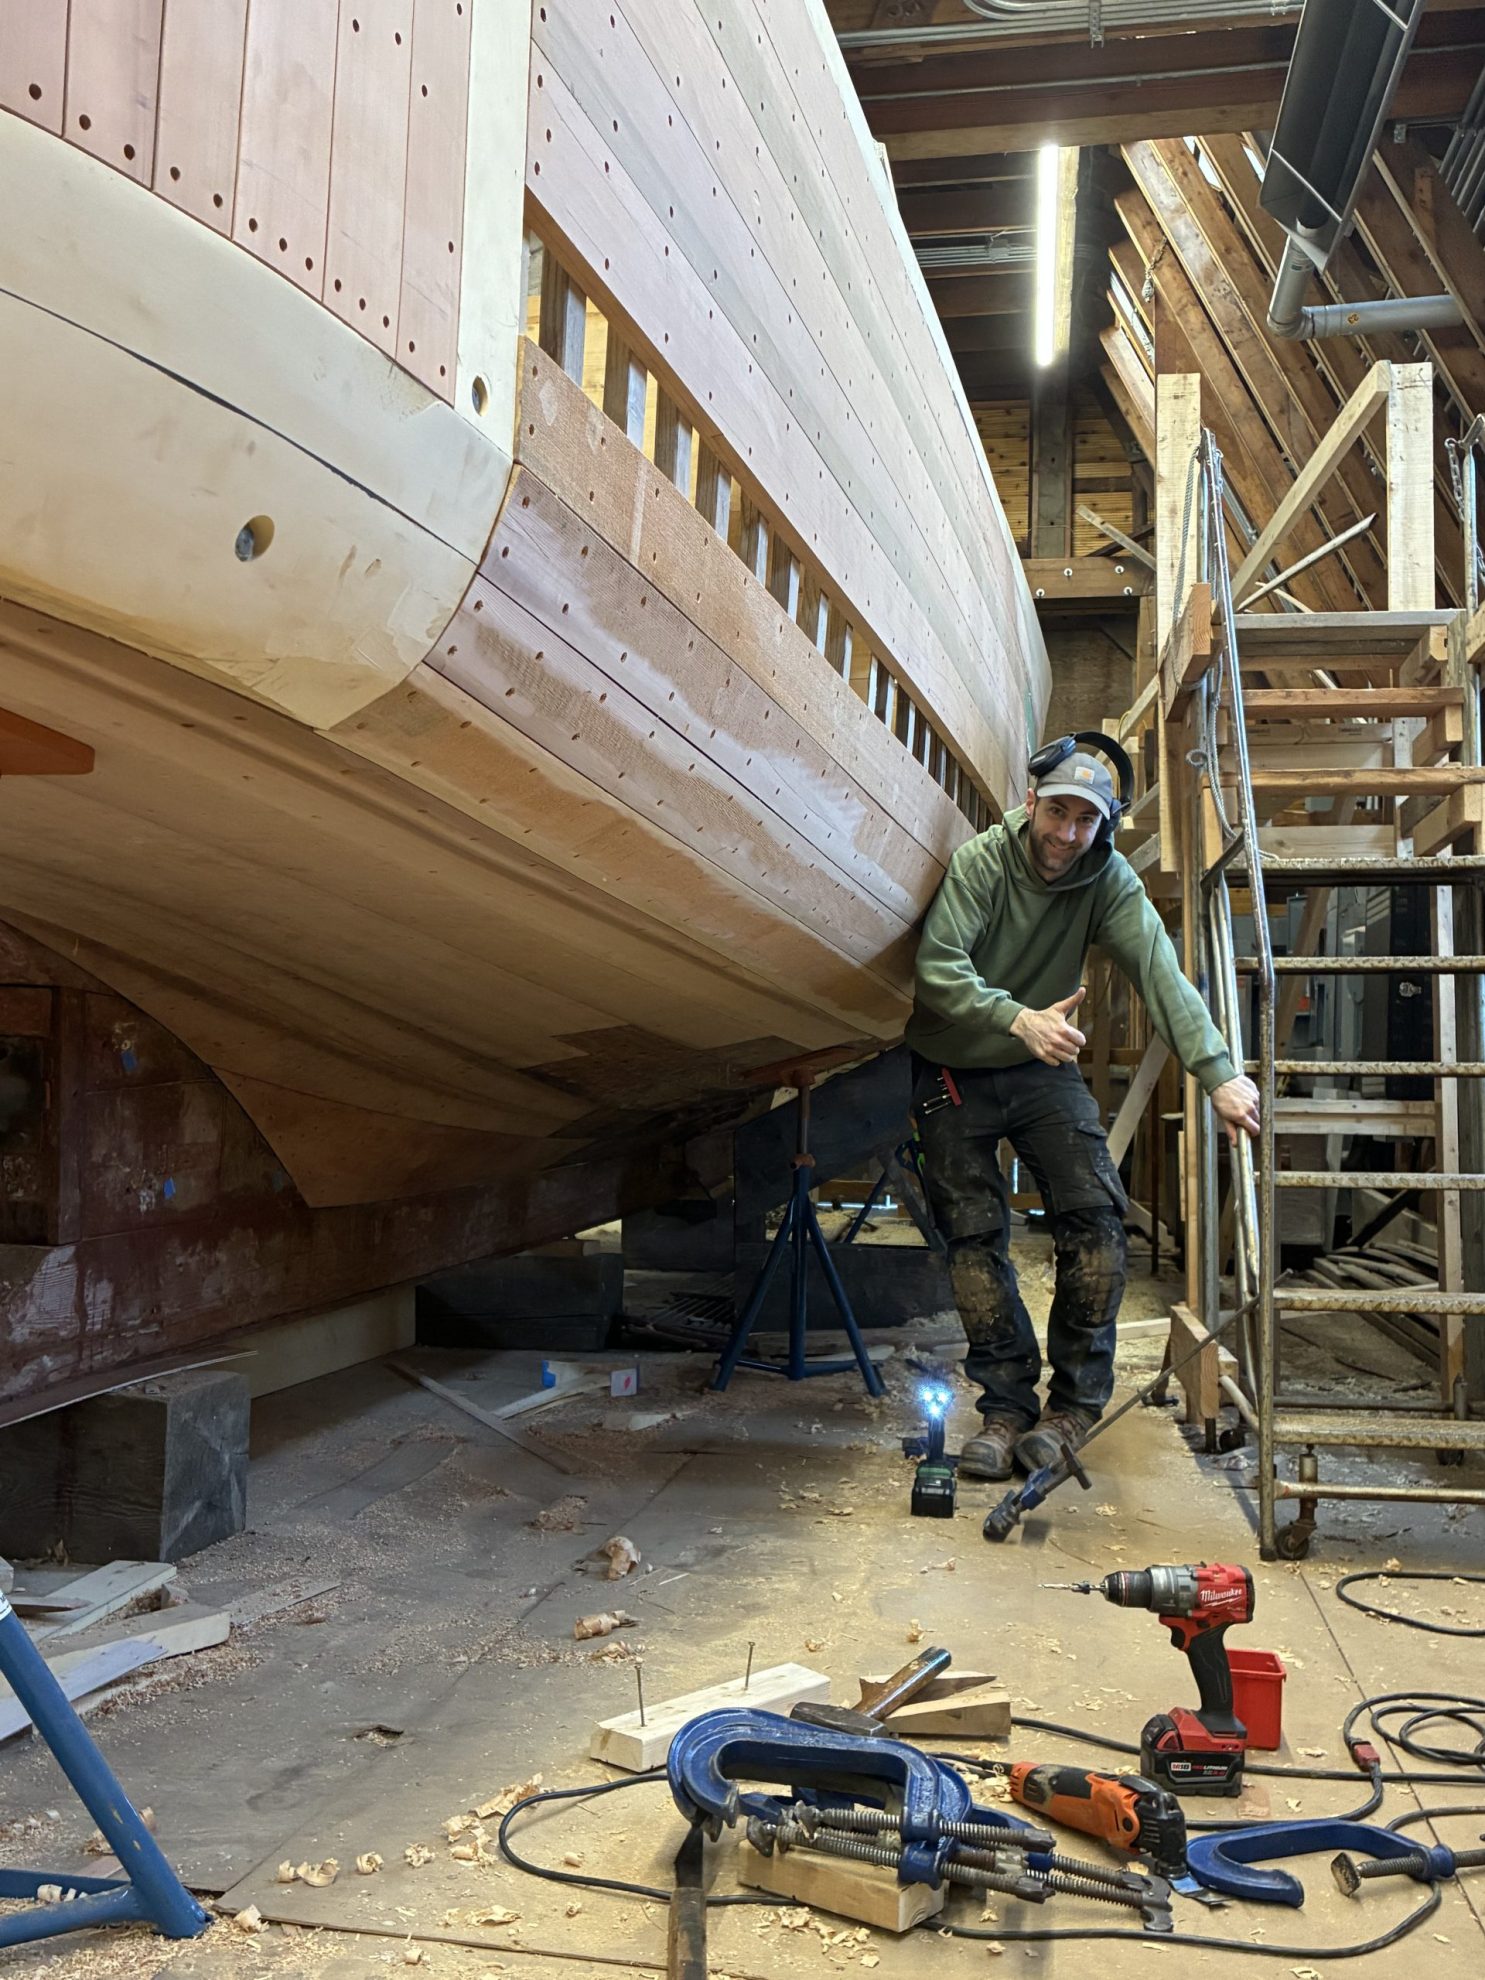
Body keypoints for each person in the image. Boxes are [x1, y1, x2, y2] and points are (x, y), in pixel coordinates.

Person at [904, 748, 1261, 1482]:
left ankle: (1070, 1409)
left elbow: (1160, 975)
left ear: (1105, 827)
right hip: (953, 1067)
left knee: (1097, 1226)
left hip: (1043, 1068)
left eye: (1085, 821)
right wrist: (1017, 1019)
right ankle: (1004, 1409)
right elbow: (938, 970)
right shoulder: (981, 863)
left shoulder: (1108, 879)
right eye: (1057, 812)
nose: (1066, 834)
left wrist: (1218, 1073)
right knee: (971, 1244)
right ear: (1031, 802)